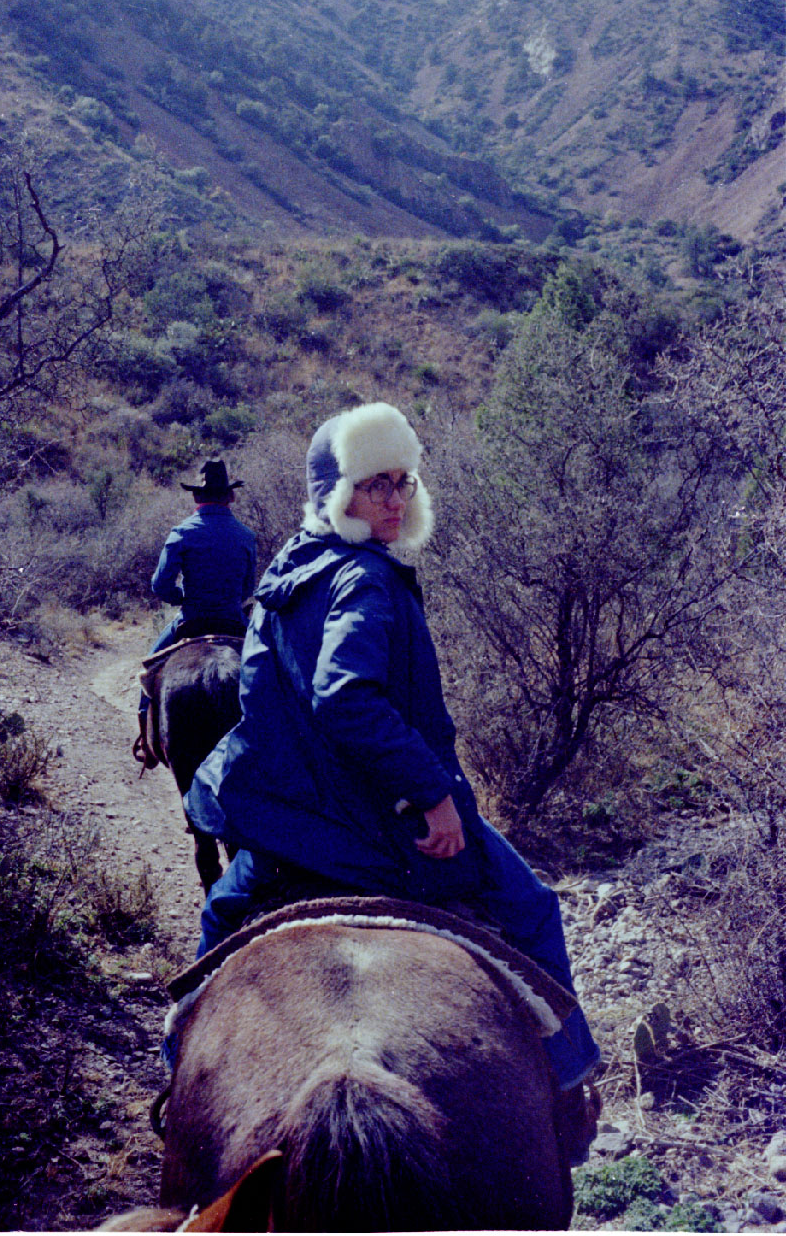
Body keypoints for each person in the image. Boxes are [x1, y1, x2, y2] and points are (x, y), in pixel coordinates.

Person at [185, 401, 601, 1159]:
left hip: (291, 820)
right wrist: (431, 793)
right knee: (535, 910)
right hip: (376, 828)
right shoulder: (367, 580)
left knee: (218, 921)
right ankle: (571, 1093)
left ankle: (171, 1081)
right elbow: (345, 695)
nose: (394, 500)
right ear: (333, 490)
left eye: (403, 482)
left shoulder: (288, 570)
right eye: (374, 484)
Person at [135, 459, 257, 755]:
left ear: (196, 496)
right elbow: (247, 590)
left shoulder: (182, 532)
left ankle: (147, 743)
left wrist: (181, 598)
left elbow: (159, 584)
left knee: (149, 671)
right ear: (230, 496)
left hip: (191, 621)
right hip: (234, 623)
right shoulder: (246, 536)